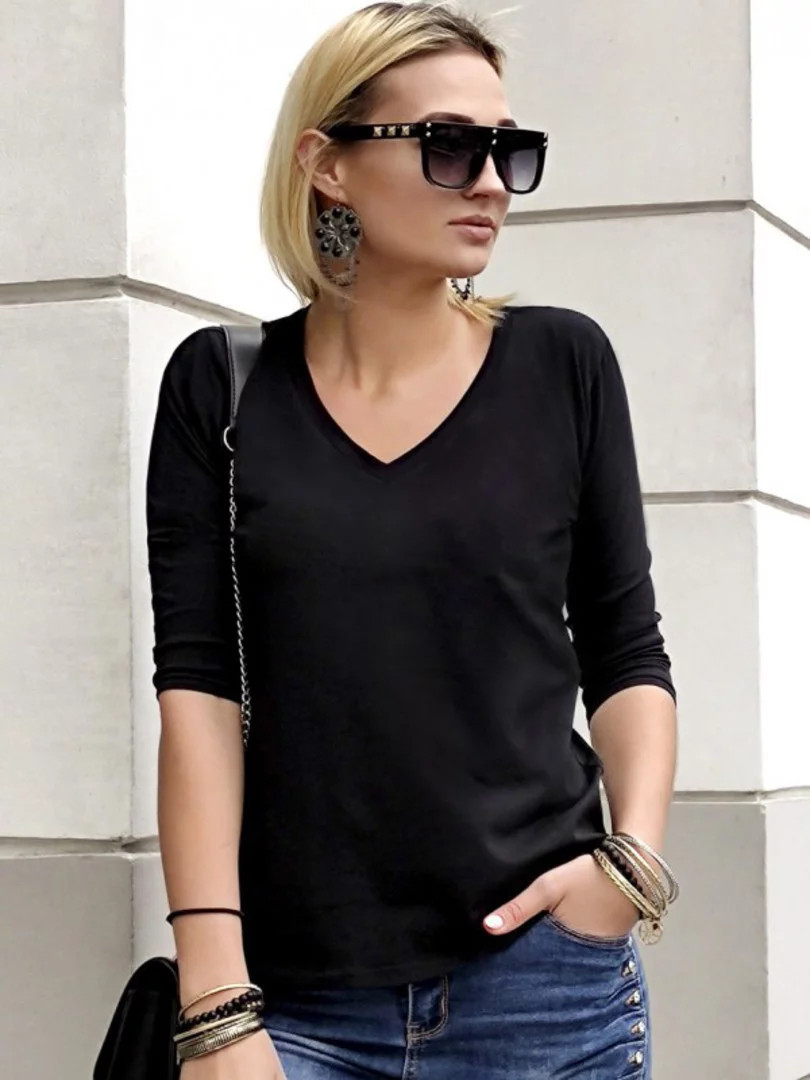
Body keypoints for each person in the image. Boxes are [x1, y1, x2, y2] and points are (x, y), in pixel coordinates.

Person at [146, 3, 679, 1078]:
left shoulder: (563, 366)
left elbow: (626, 650)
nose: (491, 182)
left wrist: (630, 869)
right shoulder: (222, 387)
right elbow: (197, 692)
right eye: (449, 145)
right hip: (294, 999)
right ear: (327, 166)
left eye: (508, 150)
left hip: (543, 989)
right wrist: (215, 1001)